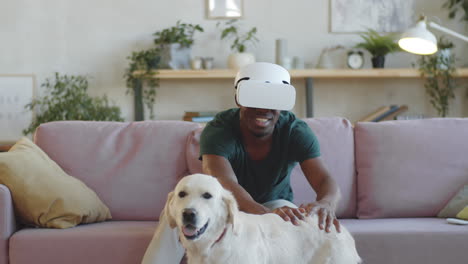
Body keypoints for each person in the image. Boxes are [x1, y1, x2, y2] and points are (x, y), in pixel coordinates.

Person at [142, 62, 341, 264]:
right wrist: (264, 214)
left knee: (292, 223)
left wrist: (326, 203)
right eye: (254, 98)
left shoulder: (296, 131)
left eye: (273, 99)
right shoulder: (219, 129)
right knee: (176, 217)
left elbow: (324, 178)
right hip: (224, 205)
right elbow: (222, 180)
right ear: (238, 98)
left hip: (275, 203)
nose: (263, 108)